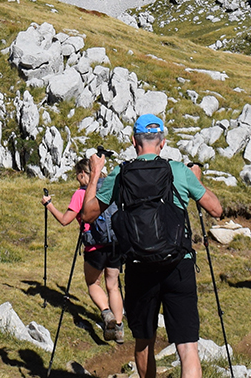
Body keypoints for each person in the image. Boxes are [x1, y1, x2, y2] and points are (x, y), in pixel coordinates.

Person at [80, 115, 224, 378]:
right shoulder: (177, 170)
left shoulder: (120, 173)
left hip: (138, 267)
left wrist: (95, 174)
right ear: (163, 143)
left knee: (144, 341)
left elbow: (87, 214)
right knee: (188, 347)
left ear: (134, 141)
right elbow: (216, 209)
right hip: (178, 265)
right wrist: (196, 179)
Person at [43, 158, 124, 343]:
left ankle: (106, 313)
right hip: (115, 244)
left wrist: (49, 205)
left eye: (77, 176)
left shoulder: (81, 194)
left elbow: (65, 220)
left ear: (82, 174)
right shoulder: (110, 187)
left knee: (93, 283)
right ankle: (119, 329)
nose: (77, 179)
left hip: (94, 246)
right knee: (113, 286)